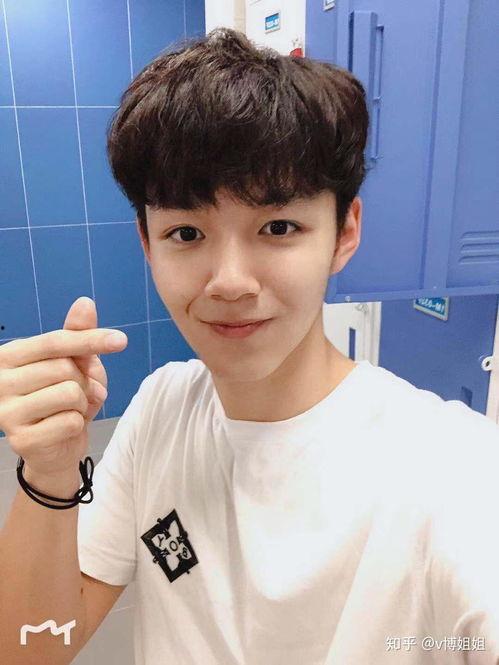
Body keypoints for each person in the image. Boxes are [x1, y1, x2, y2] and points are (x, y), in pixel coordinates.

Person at [1, 26, 498, 665]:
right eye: (186, 233)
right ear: (147, 244)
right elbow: (34, 649)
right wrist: (49, 476)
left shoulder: (454, 469)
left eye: (279, 227)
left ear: (345, 232)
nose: (230, 282)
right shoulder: (160, 410)